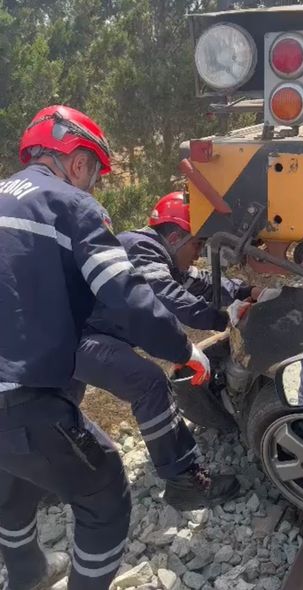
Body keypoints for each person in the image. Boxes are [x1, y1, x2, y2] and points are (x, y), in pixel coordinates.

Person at [0, 105, 219, 590]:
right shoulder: (70, 205)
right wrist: (183, 349)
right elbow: (126, 294)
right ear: (78, 162)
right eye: (95, 174)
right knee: (105, 495)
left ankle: (27, 572)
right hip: (20, 394)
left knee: (13, 478)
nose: (94, 186)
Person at [72, 192, 258, 510]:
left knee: (56, 408)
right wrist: (224, 318)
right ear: (174, 238)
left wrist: (246, 291)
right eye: (197, 244)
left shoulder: (157, 254)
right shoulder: (139, 247)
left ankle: (45, 482)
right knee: (148, 382)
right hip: (78, 337)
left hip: (70, 335)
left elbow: (201, 282)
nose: (198, 254)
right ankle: (184, 482)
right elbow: (169, 296)